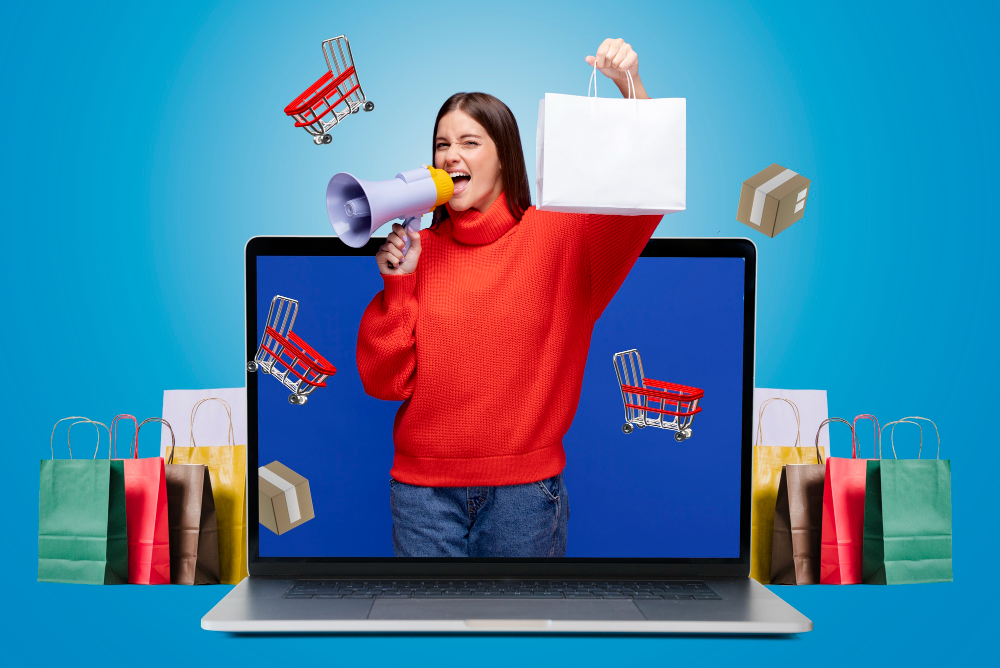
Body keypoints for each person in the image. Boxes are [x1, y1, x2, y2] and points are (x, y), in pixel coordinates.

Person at [356, 38, 663, 558]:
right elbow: (385, 383)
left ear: (504, 158)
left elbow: (648, 186)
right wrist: (400, 283)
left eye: (470, 143)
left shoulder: (563, 239)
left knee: (522, 641)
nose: (451, 155)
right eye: (441, 144)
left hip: (525, 496)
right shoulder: (417, 252)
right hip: (422, 496)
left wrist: (629, 85)